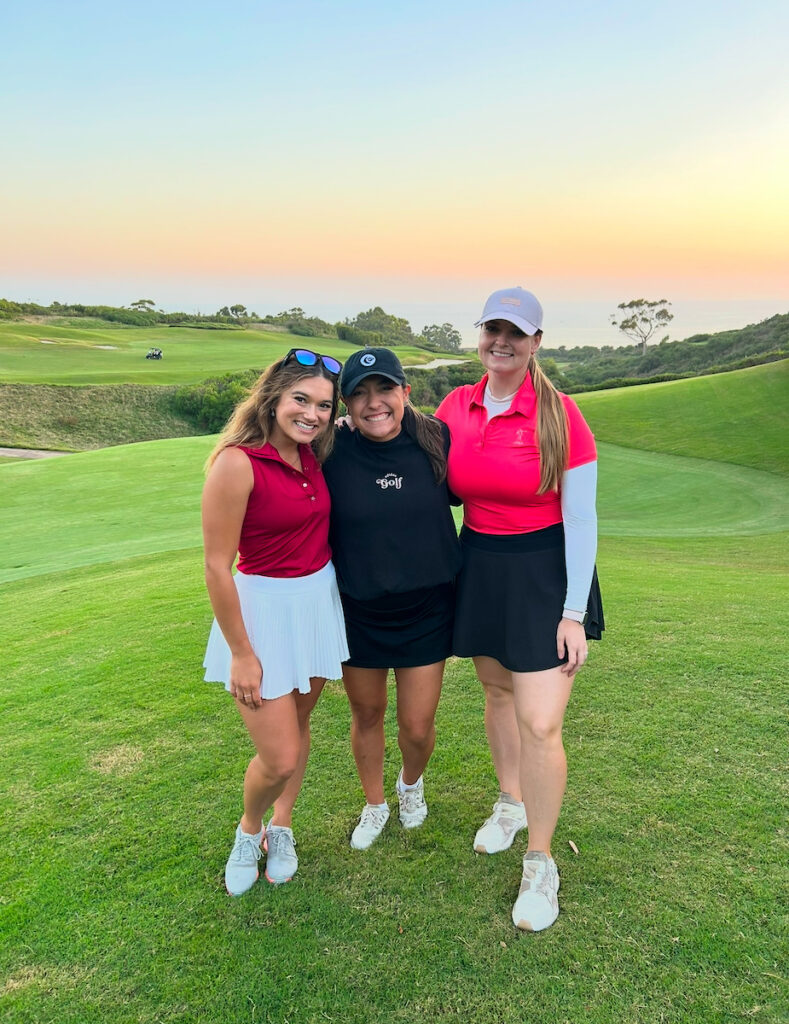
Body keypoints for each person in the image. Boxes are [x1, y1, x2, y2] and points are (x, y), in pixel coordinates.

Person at [435, 287, 604, 932]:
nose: (500, 342)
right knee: (498, 692)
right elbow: (411, 457)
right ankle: (509, 802)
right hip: (480, 562)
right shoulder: (456, 406)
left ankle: (540, 860)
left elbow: (581, 518)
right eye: (492, 330)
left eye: (515, 332)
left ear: (535, 343)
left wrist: (572, 612)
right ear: (480, 335)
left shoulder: (561, 415)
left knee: (540, 721)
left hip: (543, 571)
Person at [202, 348, 349, 895]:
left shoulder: (315, 454)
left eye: (323, 406)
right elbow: (216, 567)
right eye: (300, 400)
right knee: (280, 755)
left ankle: (281, 825)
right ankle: (249, 829)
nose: (312, 414)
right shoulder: (236, 462)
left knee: (300, 725)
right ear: (272, 398)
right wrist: (242, 653)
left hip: (315, 607)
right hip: (262, 614)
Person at [320, 348, 462, 850]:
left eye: (384, 388)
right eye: (359, 393)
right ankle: (375, 802)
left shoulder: (437, 438)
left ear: (405, 392)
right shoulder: (330, 448)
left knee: (417, 727)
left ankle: (410, 785)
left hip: (427, 611)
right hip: (357, 611)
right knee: (367, 714)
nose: (373, 402)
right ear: (345, 404)